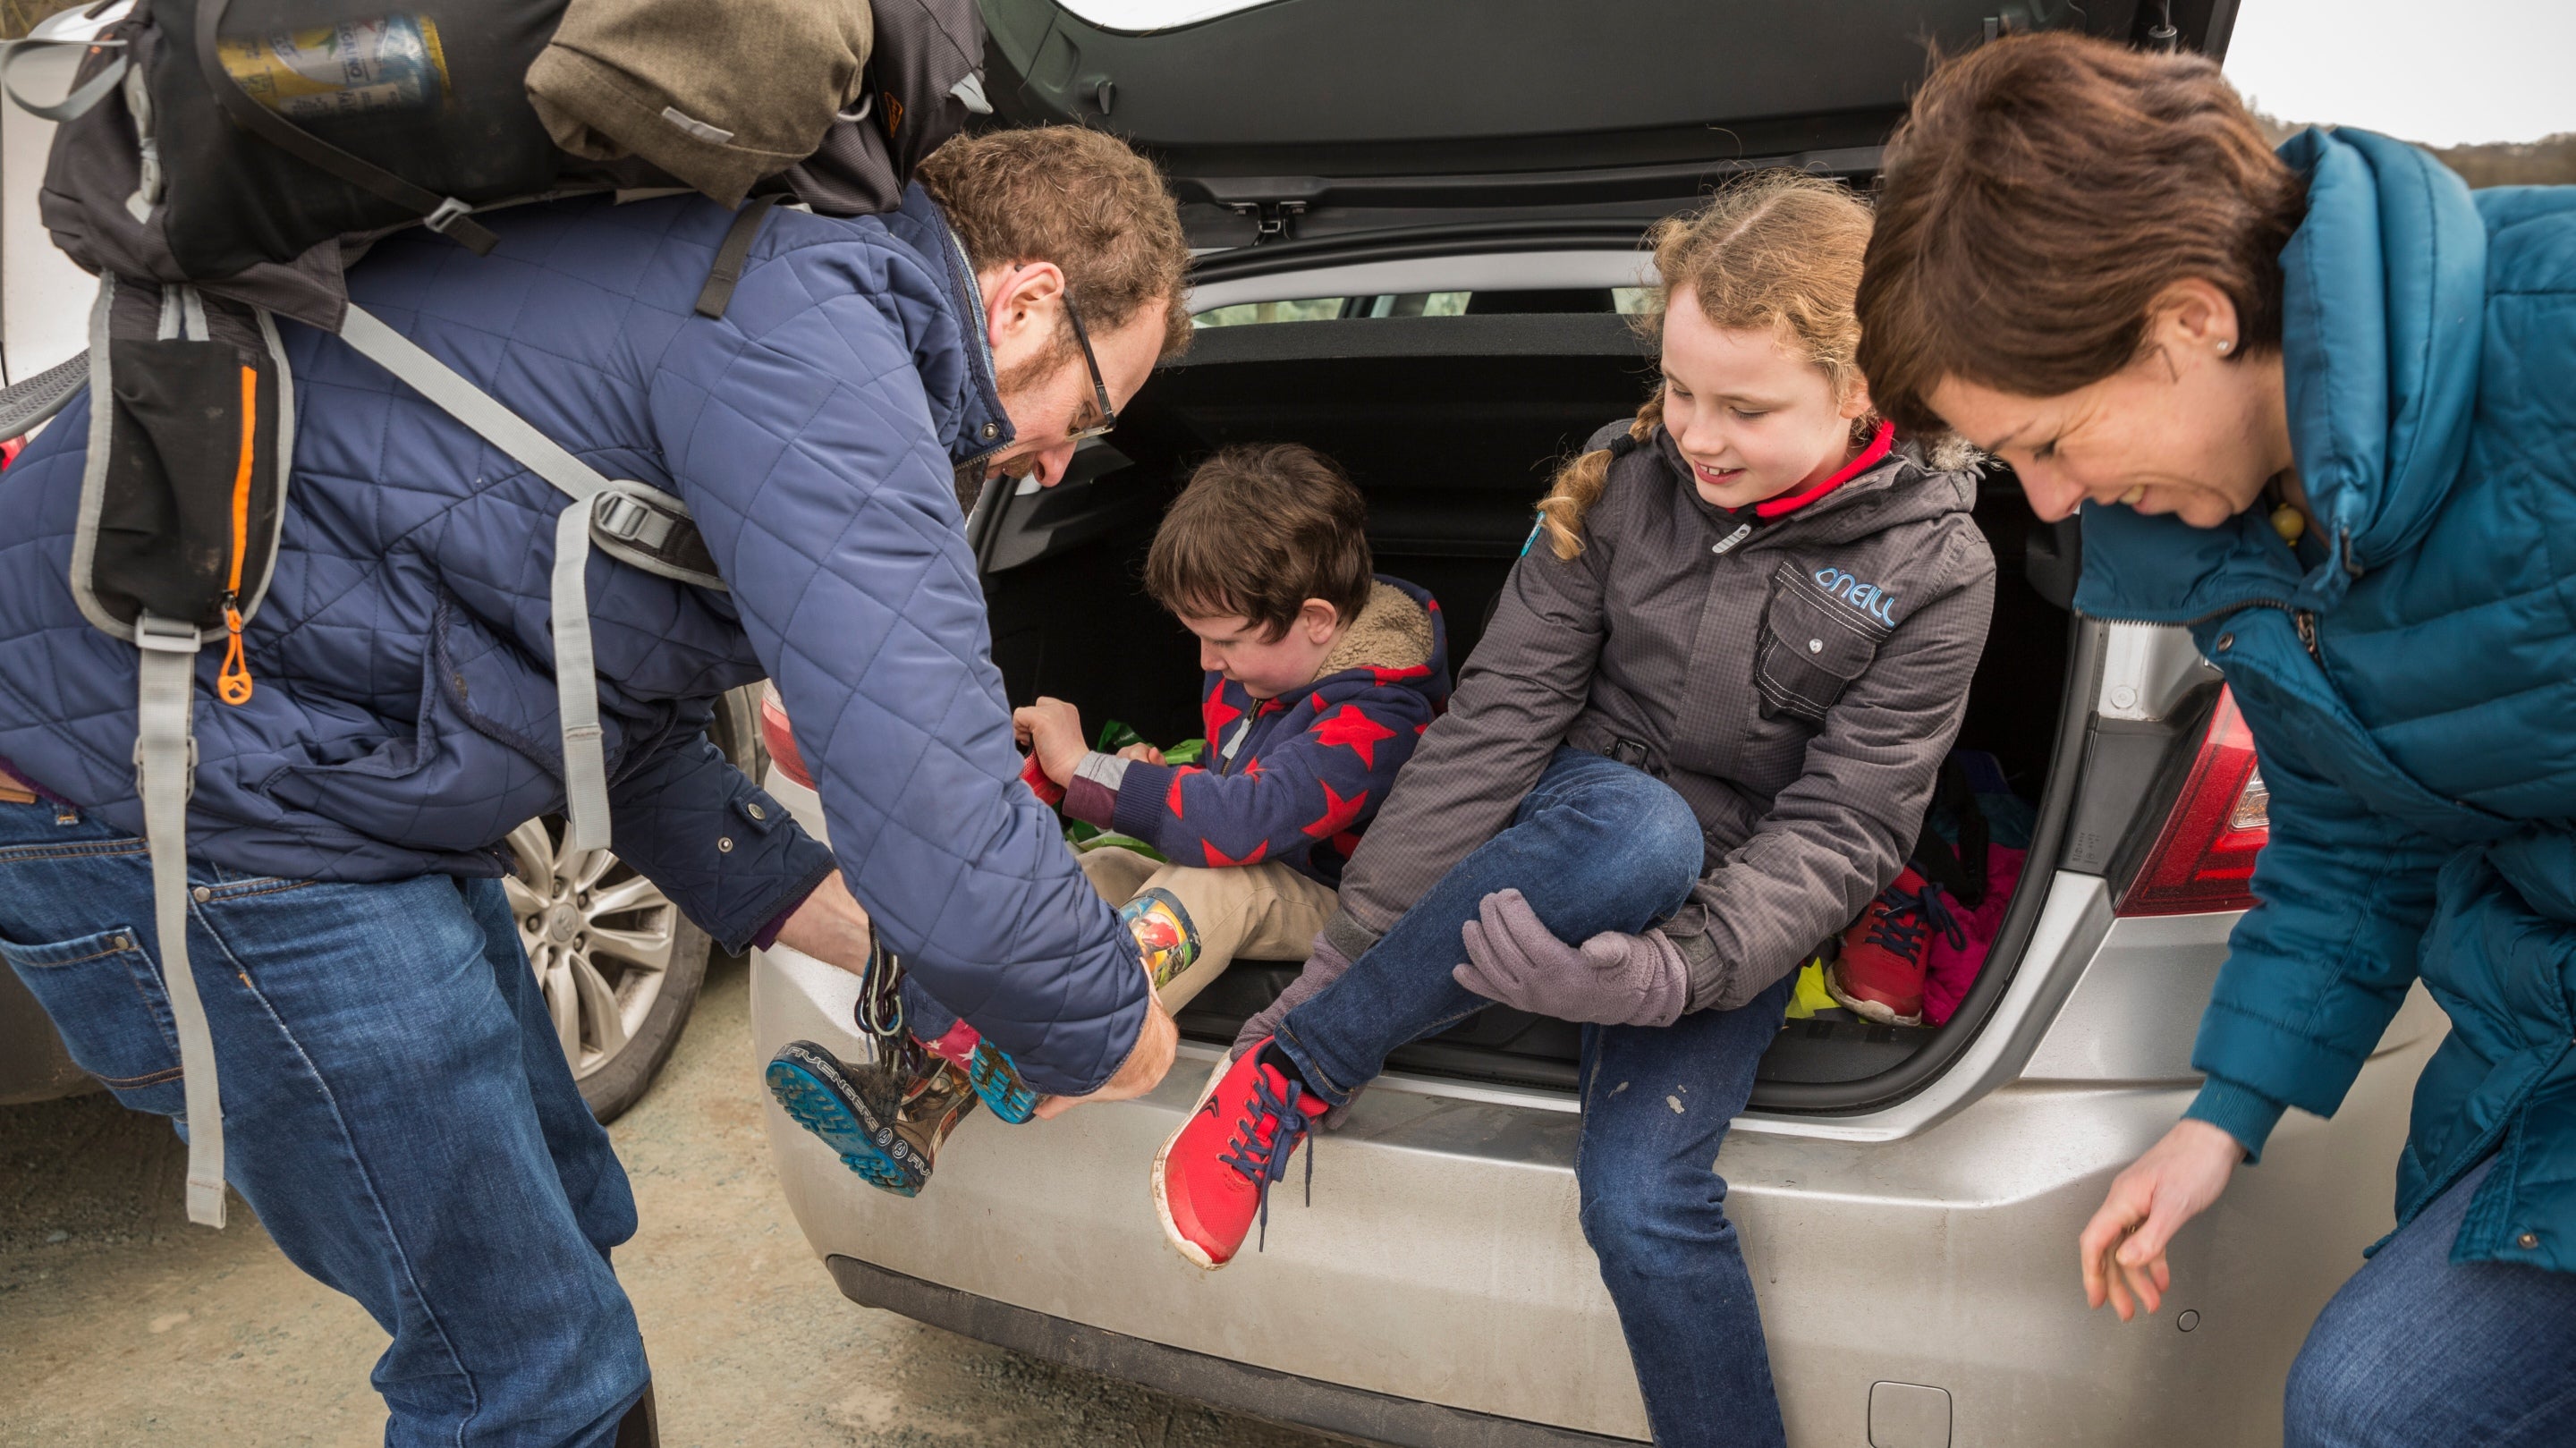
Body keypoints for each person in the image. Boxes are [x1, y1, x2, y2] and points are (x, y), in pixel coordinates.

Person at [0, 124, 1190, 1446]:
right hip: (181, 806)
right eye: (1084, 406)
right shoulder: (818, 336)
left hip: (304, 785)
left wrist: (839, 918)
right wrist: (1111, 1023)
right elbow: (945, 798)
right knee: (528, 1363)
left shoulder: (783, 295)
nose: (1063, 458)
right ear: (1023, 296)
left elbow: (602, 717)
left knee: (570, 1220)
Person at [1153, 173, 1996, 1448]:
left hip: (1742, 897)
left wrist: (1671, 972)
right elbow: (1495, 725)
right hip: (1579, 815)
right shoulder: (1623, 478)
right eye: (1680, 387)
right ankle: (1299, 1065)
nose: (1696, 435)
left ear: (1861, 386)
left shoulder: (1937, 568)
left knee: (1645, 1198)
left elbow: (1846, 827)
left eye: (1746, 407)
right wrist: (1335, 958)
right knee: (1638, 827)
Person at [1853, 32, 2576, 1448]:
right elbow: (2358, 834)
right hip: (2537, 1038)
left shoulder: (2552, 341)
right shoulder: (2251, 529)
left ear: (2191, 317)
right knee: (2370, 1407)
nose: (2052, 503)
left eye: (2053, 438)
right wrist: (2219, 1120)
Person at [773, 442, 1452, 1195]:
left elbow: (1248, 821)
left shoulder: (1381, 712)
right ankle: (915, 1106)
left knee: (1218, 885)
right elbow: (1243, 785)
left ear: (1318, 619)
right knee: (1097, 871)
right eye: (1197, 636)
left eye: (1223, 640)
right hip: (1259, 862)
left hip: (1349, 907)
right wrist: (1161, 781)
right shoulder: (1268, 665)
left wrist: (1089, 771)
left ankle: (1075, 1027)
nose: (1205, 662)